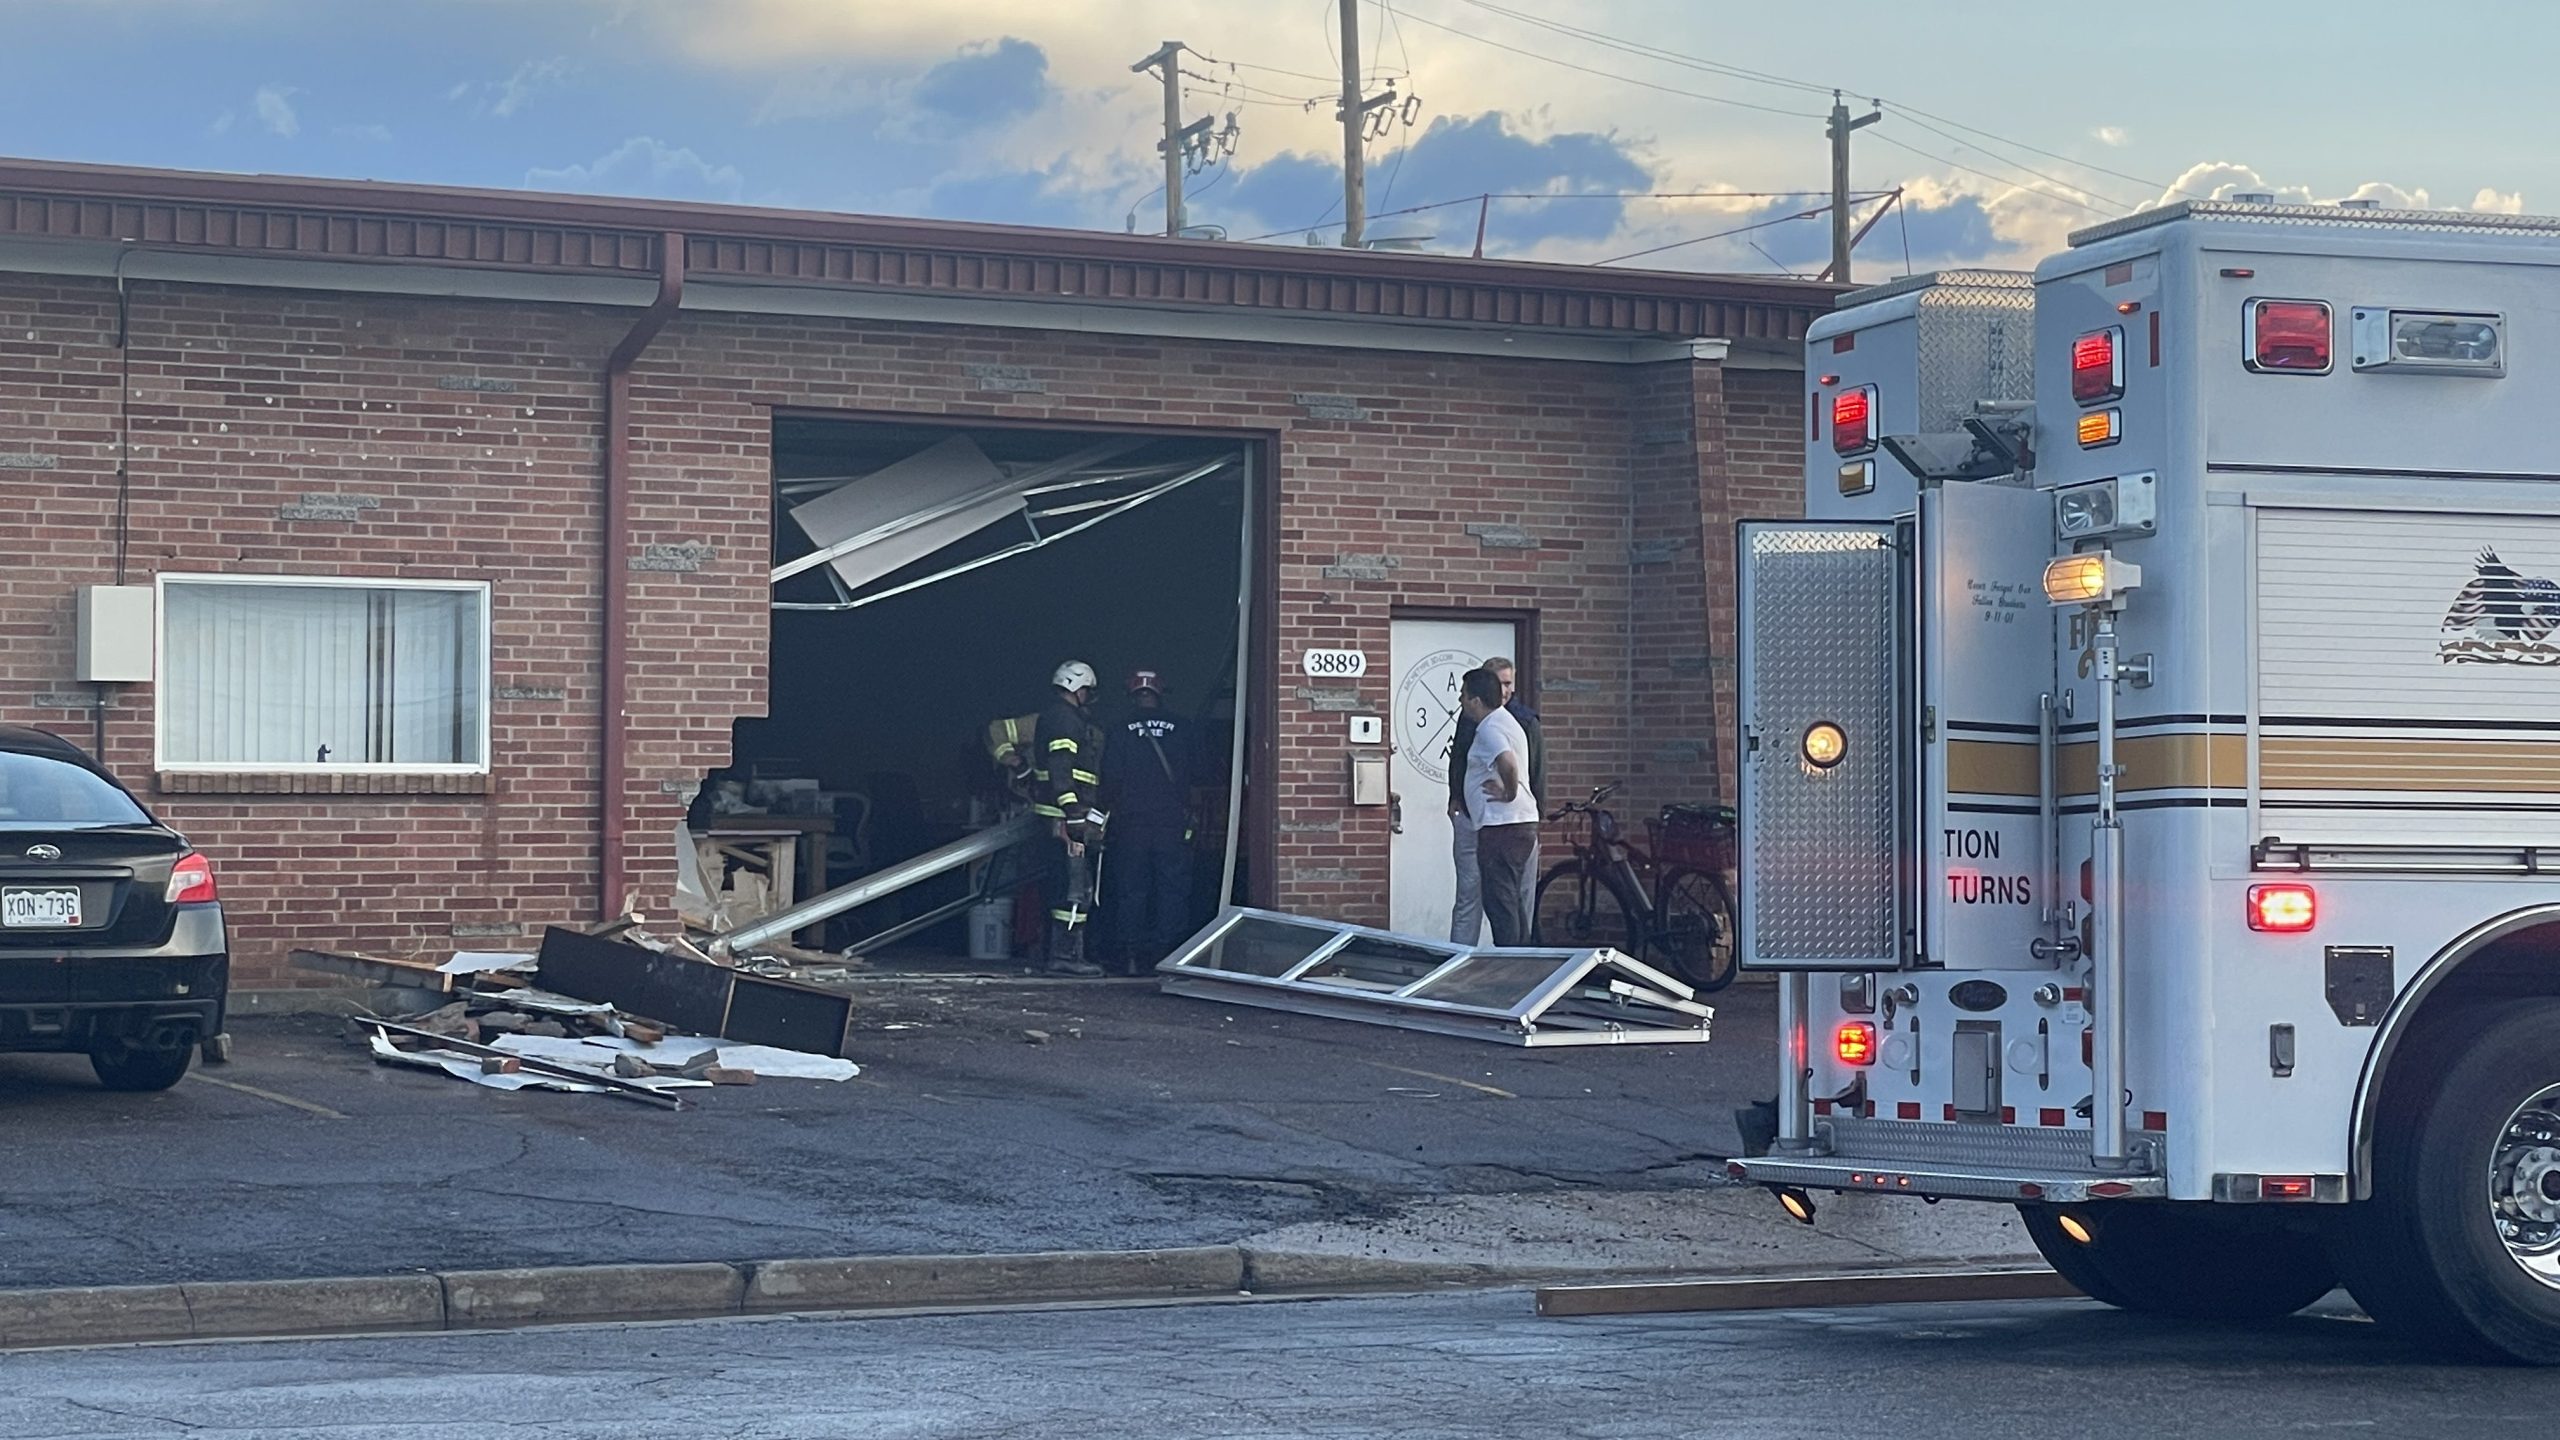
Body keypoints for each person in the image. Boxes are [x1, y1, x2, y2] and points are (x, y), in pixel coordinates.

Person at [1097, 668, 1195, 975]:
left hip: (1131, 823)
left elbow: (1110, 778)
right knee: (1172, 888)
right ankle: (1169, 954)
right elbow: (1198, 771)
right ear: (1159, 692)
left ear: (1132, 694)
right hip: (1170, 821)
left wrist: (1100, 814)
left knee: (1131, 889)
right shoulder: (1183, 727)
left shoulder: (1119, 729)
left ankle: (1131, 956)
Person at [1031, 661, 1107, 977]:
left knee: (1064, 886)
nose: (1089, 696)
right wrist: (1073, 813)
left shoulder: (1057, 716)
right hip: (1066, 819)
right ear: (1078, 688)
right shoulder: (1065, 720)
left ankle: (1060, 953)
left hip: (1059, 815)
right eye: (1087, 690)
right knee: (1075, 890)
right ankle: (1066, 955)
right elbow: (1062, 768)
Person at [1459, 667, 1539, 946]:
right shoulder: (1504, 722)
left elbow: (1507, 761)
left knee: (1500, 902)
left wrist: (1508, 792)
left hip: (1502, 825)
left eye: (1464, 696)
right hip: (1514, 824)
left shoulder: (1490, 728)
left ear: (1476, 701)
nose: (1460, 701)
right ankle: (1520, 958)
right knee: (1511, 899)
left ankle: (1510, 964)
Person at [1484, 655, 1546, 913]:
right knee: (1479, 895)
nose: (1505, 690)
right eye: (1499, 683)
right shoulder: (1473, 717)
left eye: (1509, 683)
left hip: (1516, 819)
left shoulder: (1524, 720)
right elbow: (1460, 759)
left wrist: (1536, 811)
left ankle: (1521, 950)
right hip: (1483, 818)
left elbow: (1536, 771)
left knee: (1518, 895)